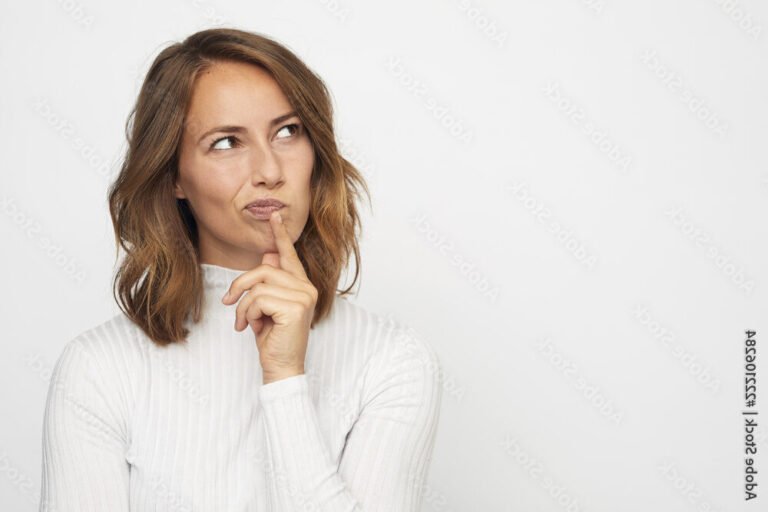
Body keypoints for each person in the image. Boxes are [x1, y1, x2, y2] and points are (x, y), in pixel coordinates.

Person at [38, 27, 442, 511]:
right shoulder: (98, 369)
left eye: (288, 132)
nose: (269, 170)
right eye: (227, 142)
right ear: (173, 177)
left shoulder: (391, 361)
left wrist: (286, 378)